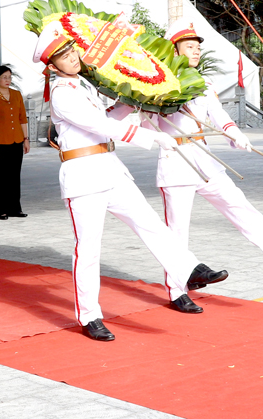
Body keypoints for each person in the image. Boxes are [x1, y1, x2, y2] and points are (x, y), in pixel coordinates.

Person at [37, 20, 208, 342]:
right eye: (63, 55)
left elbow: (106, 119)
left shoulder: (83, 85)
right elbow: (98, 125)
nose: (72, 57)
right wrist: (152, 138)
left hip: (110, 168)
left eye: (71, 50)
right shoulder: (61, 93)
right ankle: (89, 315)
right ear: (53, 65)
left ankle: (188, 268)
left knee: (151, 224)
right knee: (88, 250)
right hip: (83, 175)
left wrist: (131, 101)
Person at [137, 20, 263, 274]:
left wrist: (236, 134)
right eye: (190, 46)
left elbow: (218, 116)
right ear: (173, 50)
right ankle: (178, 289)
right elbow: (148, 129)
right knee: (178, 230)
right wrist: (146, 105)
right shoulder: (155, 86)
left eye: (197, 47)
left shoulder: (203, 84)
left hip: (204, 158)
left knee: (235, 200)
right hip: (176, 162)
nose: (196, 51)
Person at [0, 65, 29, 220]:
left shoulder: (17, 95)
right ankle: (1, 209)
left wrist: (26, 139)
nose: (7, 80)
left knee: (14, 176)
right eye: (4, 77)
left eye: (9, 77)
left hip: (16, 140)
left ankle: (15, 208)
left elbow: (22, 119)